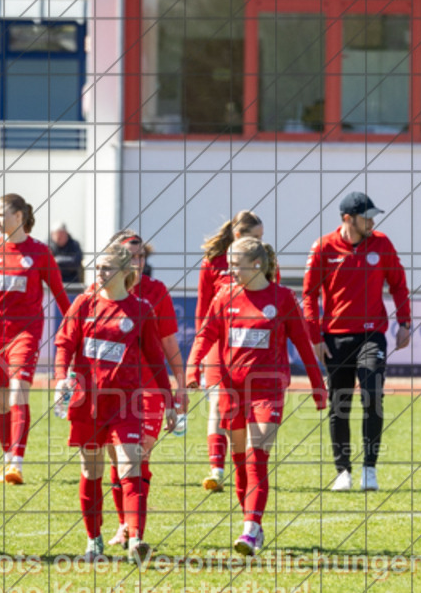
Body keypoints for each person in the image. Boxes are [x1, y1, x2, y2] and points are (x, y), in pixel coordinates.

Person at [187, 237, 326, 555]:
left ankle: (249, 530)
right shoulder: (224, 296)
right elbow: (205, 334)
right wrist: (194, 369)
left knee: (255, 460)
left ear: (257, 264)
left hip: (267, 393)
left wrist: (319, 387)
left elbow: (303, 346)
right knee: (239, 465)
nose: (229, 270)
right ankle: (254, 525)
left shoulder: (282, 298)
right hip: (230, 392)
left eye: (235, 264)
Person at [54, 243, 177, 563]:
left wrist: (170, 401)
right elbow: (64, 344)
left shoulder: (140, 310)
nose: (100, 272)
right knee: (91, 470)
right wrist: (60, 379)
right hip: (88, 404)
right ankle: (94, 539)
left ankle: (136, 538)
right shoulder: (83, 304)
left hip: (127, 405)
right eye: (98, 267)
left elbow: (154, 358)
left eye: (107, 268)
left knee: (130, 466)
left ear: (125, 273)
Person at [302, 192, 411, 492]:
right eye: (367, 217)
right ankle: (343, 472)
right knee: (340, 404)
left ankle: (370, 469)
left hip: (371, 334)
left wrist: (405, 323)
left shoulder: (382, 243)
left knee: (373, 394)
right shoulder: (322, 247)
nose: (373, 222)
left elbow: (399, 284)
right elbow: (309, 295)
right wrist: (315, 338)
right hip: (335, 338)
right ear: (348, 219)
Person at [97, 230, 187, 548]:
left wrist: (179, 384)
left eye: (141, 257)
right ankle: (124, 523)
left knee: (137, 458)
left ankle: (135, 532)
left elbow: (167, 341)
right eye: (130, 257)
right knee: (116, 460)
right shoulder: (99, 293)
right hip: (110, 391)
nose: (137, 263)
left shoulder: (156, 291)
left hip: (148, 389)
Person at [0, 194, 71, 484]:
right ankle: (7, 460)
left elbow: (60, 294)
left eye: (1, 213)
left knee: (18, 394)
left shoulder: (39, 252)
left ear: (18, 216)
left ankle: (17, 461)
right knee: (1, 403)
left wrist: (76, 329)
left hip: (25, 334)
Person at [195, 210, 272, 493]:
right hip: (219, 343)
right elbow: (203, 310)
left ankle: (248, 463)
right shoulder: (212, 264)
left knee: (244, 408)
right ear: (239, 235)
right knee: (217, 402)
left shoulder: (261, 260)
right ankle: (216, 468)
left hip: (248, 345)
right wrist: (202, 352)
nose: (261, 243)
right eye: (256, 237)